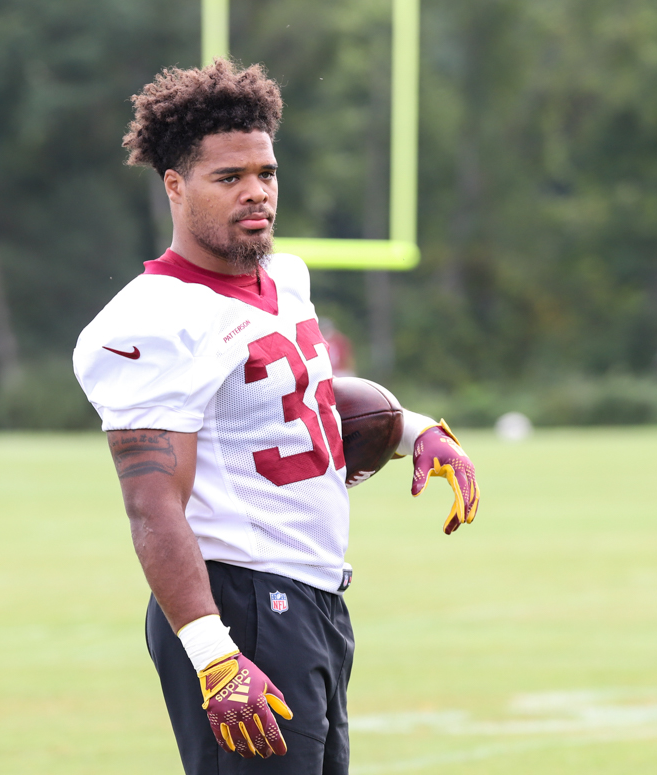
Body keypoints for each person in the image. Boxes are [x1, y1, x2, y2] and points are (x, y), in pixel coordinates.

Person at [73, 59, 480, 775]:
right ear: (175, 185)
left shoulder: (283, 279)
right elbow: (153, 507)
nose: (256, 191)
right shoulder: (150, 319)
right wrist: (214, 655)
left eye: (265, 172)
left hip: (315, 599)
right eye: (229, 178)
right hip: (241, 603)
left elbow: (305, 394)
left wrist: (416, 430)